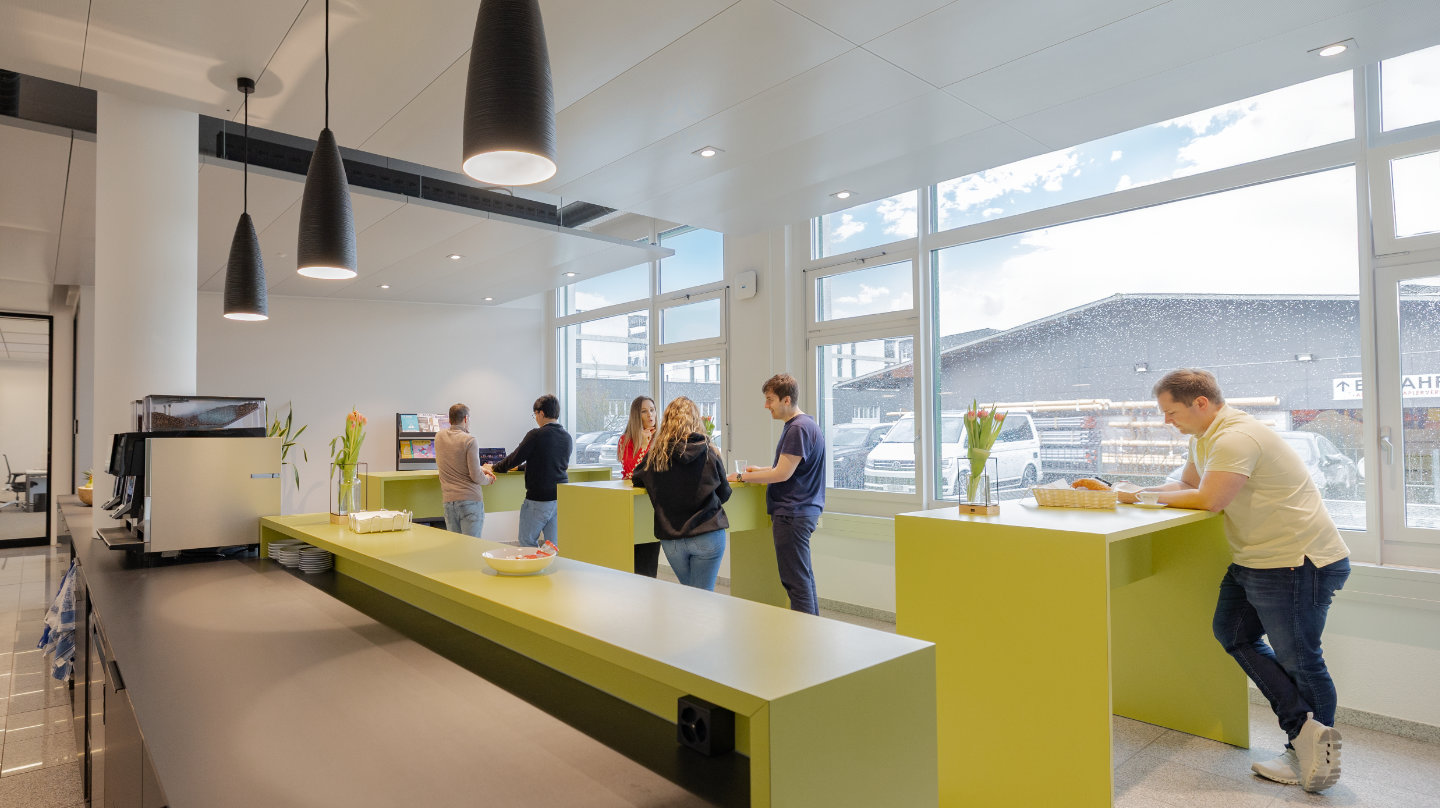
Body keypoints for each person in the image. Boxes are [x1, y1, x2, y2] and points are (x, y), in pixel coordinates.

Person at [1118, 368, 1350, 793]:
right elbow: (1185, 484)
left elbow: (1210, 499)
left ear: (1200, 403)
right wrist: (1135, 492)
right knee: (1232, 632)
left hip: (1296, 562)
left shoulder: (1235, 437)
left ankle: (1309, 755)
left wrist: (1139, 497)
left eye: (1171, 412)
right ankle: (1305, 733)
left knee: (1301, 660)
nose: (1166, 421)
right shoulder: (1204, 438)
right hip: (1258, 559)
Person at [727, 373, 825, 615]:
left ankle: (804, 631)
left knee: (795, 582)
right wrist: (761, 470)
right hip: (802, 510)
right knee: (803, 577)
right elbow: (792, 468)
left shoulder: (797, 428)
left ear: (786, 399)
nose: (766, 405)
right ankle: (812, 627)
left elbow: (782, 474)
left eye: (770, 399)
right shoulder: (806, 425)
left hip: (792, 513)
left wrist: (741, 477)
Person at [631, 397, 731, 590]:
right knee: (701, 597)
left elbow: (637, 478)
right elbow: (724, 494)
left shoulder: (657, 455)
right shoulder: (709, 451)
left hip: (672, 539)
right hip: (708, 534)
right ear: (695, 420)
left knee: (691, 594)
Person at [484, 394, 572, 548]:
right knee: (553, 545)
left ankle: (533, 564)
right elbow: (548, 462)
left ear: (541, 413)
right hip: (560, 497)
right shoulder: (567, 437)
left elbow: (515, 457)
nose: (536, 418)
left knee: (527, 541)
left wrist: (494, 467)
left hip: (539, 498)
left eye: (535, 414)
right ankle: (550, 564)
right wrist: (519, 468)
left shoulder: (536, 435)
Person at [435, 403, 495, 537]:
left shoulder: (439, 437)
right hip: (470, 501)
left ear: (450, 420)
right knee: (472, 545)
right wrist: (488, 479)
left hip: (449, 503)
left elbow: (455, 460)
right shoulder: (469, 440)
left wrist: (481, 468)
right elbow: (476, 476)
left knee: (456, 546)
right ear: (466, 419)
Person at [618, 395, 662, 577]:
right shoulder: (626, 440)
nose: (650, 415)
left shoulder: (661, 439)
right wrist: (644, 445)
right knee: (631, 558)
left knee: (649, 557)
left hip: (653, 503)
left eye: (652, 410)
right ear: (637, 415)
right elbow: (632, 472)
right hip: (632, 503)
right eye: (644, 411)